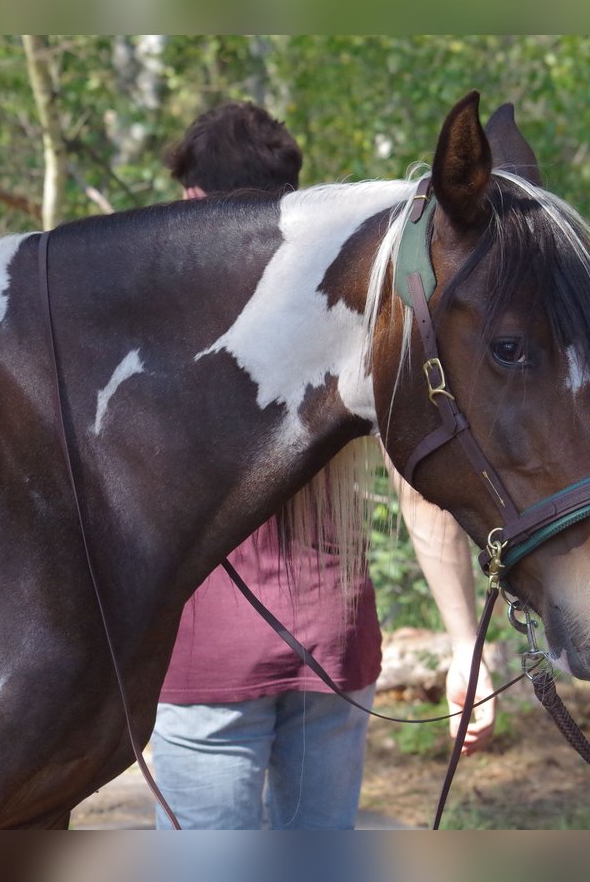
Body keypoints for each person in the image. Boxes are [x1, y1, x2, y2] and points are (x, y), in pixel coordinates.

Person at [150, 101, 495, 831]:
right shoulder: (347, 313)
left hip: (203, 663)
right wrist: (465, 642)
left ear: (190, 201)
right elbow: (421, 490)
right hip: (333, 653)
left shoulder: (161, 329)